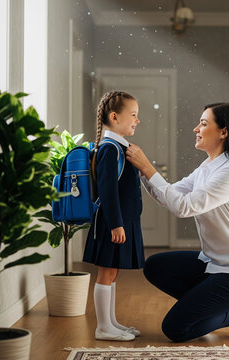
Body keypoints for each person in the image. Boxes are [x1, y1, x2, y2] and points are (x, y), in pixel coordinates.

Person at [126, 102, 229, 342]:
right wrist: (142, 172)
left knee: (176, 329)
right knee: (154, 266)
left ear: (224, 132)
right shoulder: (206, 168)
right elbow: (170, 196)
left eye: (203, 124)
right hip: (215, 264)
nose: (196, 128)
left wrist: (147, 166)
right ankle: (209, 305)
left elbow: (184, 207)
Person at [83, 91, 143, 341]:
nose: (137, 120)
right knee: (106, 272)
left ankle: (112, 322)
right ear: (114, 117)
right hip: (112, 223)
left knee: (113, 271)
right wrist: (116, 224)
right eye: (133, 115)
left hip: (120, 222)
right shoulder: (110, 149)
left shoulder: (119, 147)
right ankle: (103, 327)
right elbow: (107, 191)